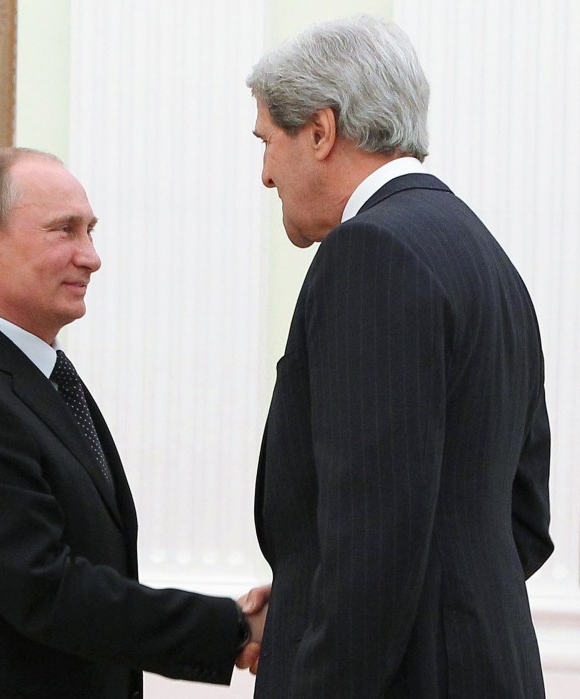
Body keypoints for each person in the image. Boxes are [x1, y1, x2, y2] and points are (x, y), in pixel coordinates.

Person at [239, 14, 553, 698]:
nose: (265, 174)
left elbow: (373, 555)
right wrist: (310, 587)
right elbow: (523, 522)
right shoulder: (484, 255)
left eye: (267, 141)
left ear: (320, 131)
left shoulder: (369, 254)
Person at [0, 147, 261, 698]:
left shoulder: (37, 371)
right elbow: (48, 592)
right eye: (64, 231)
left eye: (90, 231)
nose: (91, 257)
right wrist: (234, 628)